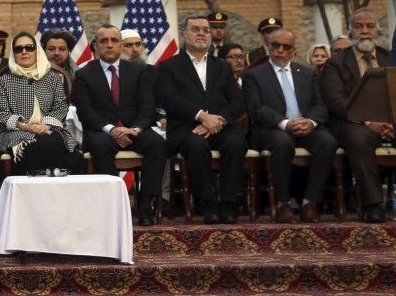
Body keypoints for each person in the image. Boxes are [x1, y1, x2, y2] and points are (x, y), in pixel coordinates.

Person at [155, 14, 248, 224]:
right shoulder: (168, 66)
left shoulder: (222, 66)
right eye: (195, 29)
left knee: (236, 142)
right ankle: (207, 204)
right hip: (185, 128)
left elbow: (237, 101)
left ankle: (228, 203)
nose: (201, 34)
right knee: (196, 147)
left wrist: (220, 120)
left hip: (220, 126)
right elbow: (168, 99)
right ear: (184, 34)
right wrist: (202, 116)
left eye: (205, 30)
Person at [74, 24, 168, 225]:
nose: (109, 45)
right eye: (103, 41)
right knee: (99, 146)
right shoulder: (84, 74)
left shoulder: (139, 71)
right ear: (95, 46)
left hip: (135, 129)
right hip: (103, 132)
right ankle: (112, 207)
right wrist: (112, 129)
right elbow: (85, 111)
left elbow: (147, 107)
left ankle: (145, 205)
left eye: (114, 40)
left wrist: (134, 129)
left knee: (157, 144)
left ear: (120, 45)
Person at [243, 27, 338, 223]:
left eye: (286, 47)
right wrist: (285, 123)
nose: (280, 50)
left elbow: (321, 105)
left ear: (294, 50)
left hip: (305, 127)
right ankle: (283, 203)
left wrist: (310, 122)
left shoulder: (307, 73)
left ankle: (310, 202)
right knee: (283, 142)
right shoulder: (254, 75)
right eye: (275, 45)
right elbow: (256, 108)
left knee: (327, 142)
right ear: (268, 46)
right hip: (271, 129)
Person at [319, 10, 393, 223]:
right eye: (359, 27)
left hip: (391, 121)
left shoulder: (391, 57)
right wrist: (369, 122)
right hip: (353, 122)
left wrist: (392, 123)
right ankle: (374, 204)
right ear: (350, 31)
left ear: (377, 30)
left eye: (369, 26)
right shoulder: (336, 62)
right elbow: (336, 101)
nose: (364, 31)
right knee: (359, 139)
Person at [0, 31, 78, 174]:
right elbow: (2, 113)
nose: (24, 52)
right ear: (14, 53)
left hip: (49, 128)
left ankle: (56, 186)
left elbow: (61, 107)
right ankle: (30, 189)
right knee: (34, 144)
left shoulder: (52, 78)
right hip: (15, 131)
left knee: (54, 142)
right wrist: (25, 126)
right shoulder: (4, 80)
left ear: (37, 51)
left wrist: (45, 125)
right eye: (19, 49)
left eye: (29, 47)